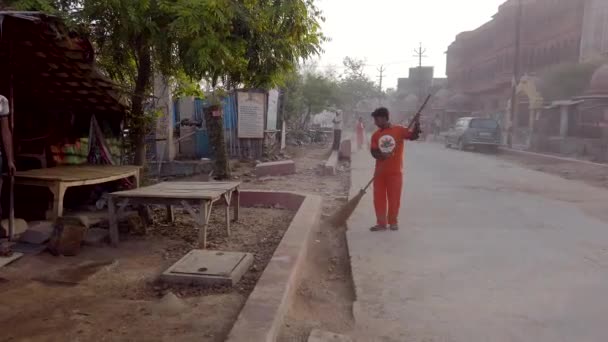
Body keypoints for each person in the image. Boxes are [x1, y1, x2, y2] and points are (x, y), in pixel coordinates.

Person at [369, 107, 420, 231]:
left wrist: (417, 123)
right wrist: (382, 156)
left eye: (376, 119)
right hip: (379, 173)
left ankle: (393, 222)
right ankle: (381, 223)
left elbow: (413, 136)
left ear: (383, 118)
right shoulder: (376, 135)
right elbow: (374, 152)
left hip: (395, 172)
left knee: (394, 198)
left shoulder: (399, 130)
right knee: (378, 199)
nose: (375, 122)